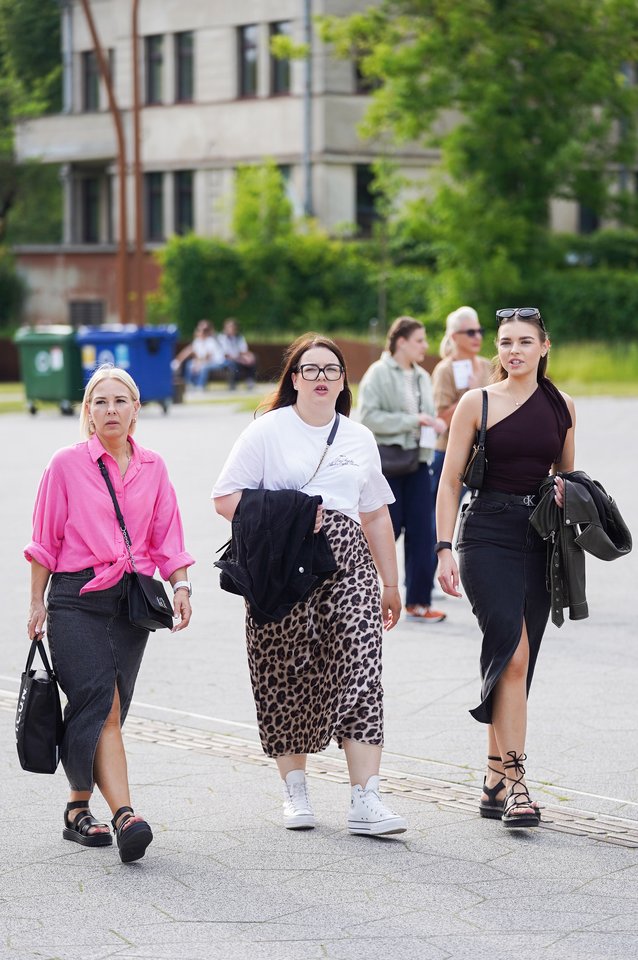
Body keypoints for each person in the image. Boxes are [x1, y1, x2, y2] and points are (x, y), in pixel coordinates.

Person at [213, 334, 408, 836]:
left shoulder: (359, 437)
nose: (322, 378)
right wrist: (291, 514)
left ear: (343, 382)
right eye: (311, 369)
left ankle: (366, 798)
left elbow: (375, 513)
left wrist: (390, 583)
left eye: (331, 370)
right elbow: (225, 498)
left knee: (362, 666)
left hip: (349, 565)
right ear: (295, 379)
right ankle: (295, 791)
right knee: (286, 674)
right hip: (283, 566)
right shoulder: (266, 431)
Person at [25, 364, 194, 862]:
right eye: (101, 402)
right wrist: (36, 601)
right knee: (103, 704)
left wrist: (181, 586)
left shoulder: (154, 467)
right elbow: (44, 540)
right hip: (76, 598)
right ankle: (126, 816)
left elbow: (168, 537)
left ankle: (77, 808)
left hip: (131, 605)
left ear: (136, 409)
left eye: (121, 401)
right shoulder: (65, 464)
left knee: (106, 708)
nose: (111, 409)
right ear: (88, 411)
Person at [436, 307, 575, 828]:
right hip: (486, 535)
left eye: (524, 341)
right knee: (511, 652)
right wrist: (442, 548)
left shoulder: (563, 406)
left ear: (544, 346)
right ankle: (517, 786)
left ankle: (494, 780)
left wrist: (568, 493)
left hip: (539, 539)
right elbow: (450, 481)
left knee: (519, 661)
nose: (513, 350)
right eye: (505, 342)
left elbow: (568, 476)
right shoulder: (476, 402)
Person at [358, 316, 447, 623]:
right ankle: (362, 594)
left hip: (420, 463)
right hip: (389, 466)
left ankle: (418, 604)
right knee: (384, 531)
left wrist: (433, 423)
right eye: (419, 340)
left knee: (423, 534)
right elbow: (368, 417)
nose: (425, 346)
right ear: (401, 342)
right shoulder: (378, 373)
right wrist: (412, 421)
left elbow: (426, 415)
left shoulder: (422, 376)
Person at [429, 307, 493, 596]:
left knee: (483, 515)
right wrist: (469, 394)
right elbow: (440, 418)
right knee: (441, 515)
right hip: (450, 453)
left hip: (483, 453)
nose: (477, 336)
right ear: (454, 336)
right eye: (470, 332)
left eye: (480, 331)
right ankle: (434, 574)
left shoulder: (487, 365)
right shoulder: (445, 370)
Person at [172, 319, 230, 390]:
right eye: (199, 330)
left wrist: (198, 364)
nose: (201, 332)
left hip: (217, 362)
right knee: (190, 364)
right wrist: (180, 361)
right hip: (206, 362)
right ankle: (189, 384)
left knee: (203, 367)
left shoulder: (211, 340)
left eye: (204, 330)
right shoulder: (197, 341)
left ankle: (200, 386)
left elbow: (209, 356)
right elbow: (193, 353)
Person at [218, 317, 257, 390]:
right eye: (230, 327)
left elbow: (244, 350)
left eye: (233, 327)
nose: (232, 329)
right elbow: (226, 355)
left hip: (238, 358)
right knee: (232, 364)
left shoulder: (239, 337)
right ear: (226, 328)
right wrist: (240, 359)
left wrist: (250, 357)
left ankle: (250, 381)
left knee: (253, 359)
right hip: (224, 360)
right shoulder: (221, 338)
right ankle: (232, 385)